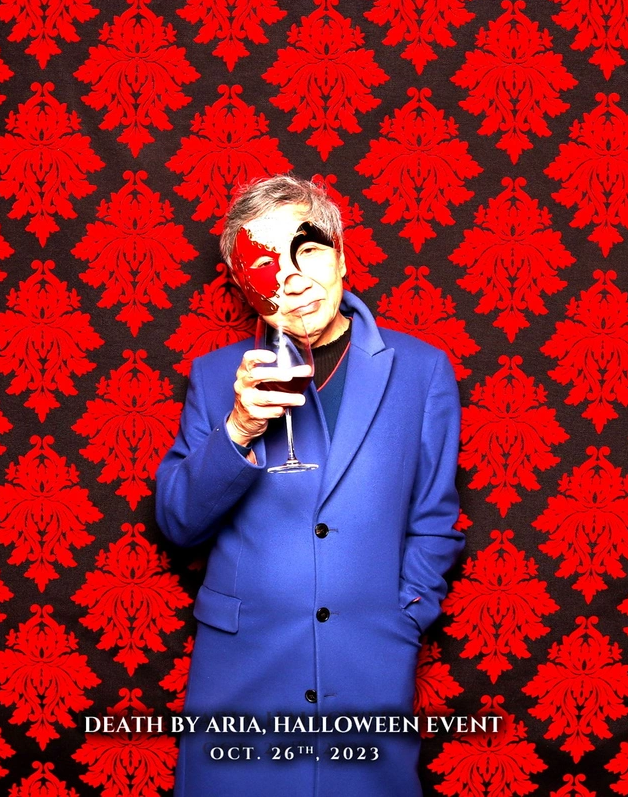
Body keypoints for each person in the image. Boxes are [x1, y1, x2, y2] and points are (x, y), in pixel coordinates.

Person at [155, 174, 464, 797]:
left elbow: (434, 520)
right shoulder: (215, 378)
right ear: (244, 286)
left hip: (369, 666)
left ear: (341, 256)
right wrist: (239, 428)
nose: (292, 278)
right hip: (241, 673)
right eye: (264, 265)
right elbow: (177, 522)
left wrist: (404, 618)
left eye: (309, 250)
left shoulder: (422, 370)